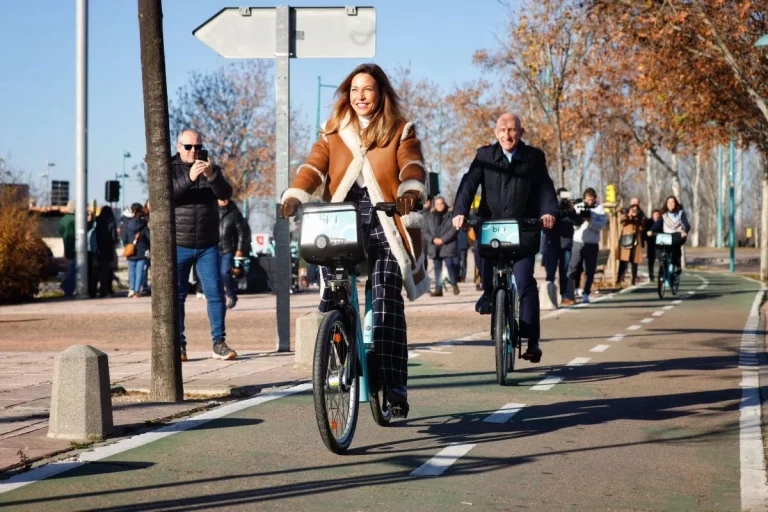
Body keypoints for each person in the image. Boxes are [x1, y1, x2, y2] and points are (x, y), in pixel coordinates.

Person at [280, 63, 429, 408]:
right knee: (332, 298)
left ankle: (393, 385)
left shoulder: (400, 130)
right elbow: (313, 167)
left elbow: (412, 164)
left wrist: (410, 191)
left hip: (386, 221)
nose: (360, 96)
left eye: (368, 90)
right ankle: (340, 356)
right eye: (354, 90)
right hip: (342, 222)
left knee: (386, 296)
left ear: (381, 95)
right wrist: (295, 195)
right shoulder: (333, 131)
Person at [452, 113, 557, 363]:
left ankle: (531, 340)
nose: (507, 135)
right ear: (495, 132)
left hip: (523, 228)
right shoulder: (485, 155)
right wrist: (459, 212)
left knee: (524, 281)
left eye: (512, 130)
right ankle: (489, 292)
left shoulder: (533, 157)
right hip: (492, 226)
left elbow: (545, 187)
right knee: (483, 251)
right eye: (502, 129)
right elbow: (469, 184)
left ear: (521, 132)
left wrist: (549, 212)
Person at [173, 128, 237, 362]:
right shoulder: (170, 169)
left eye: (198, 146)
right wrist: (189, 178)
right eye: (189, 147)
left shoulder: (211, 168)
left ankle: (219, 343)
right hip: (179, 243)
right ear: (179, 147)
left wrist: (212, 176)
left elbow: (226, 193)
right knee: (177, 297)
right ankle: (178, 345)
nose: (194, 151)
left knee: (215, 294)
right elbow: (167, 195)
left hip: (208, 245)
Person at [563, 188, 607, 305]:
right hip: (578, 241)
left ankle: (586, 293)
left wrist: (589, 220)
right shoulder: (578, 207)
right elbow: (573, 224)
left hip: (592, 243)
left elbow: (601, 226)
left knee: (590, 270)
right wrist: (579, 219)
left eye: (592, 200)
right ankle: (571, 294)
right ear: (584, 198)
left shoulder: (599, 209)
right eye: (588, 200)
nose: (589, 202)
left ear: (595, 199)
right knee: (573, 268)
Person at [544, 188, 577, 307]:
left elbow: (578, 221)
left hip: (566, 244)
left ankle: (565, 297)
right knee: (550, 272)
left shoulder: (570, 209)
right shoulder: (551, 206)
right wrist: (559, 208)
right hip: (552, 243)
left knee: (565, 272)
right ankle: (550, 298)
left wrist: (571, 210)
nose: (563, 200)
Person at [423, 196, 460, 296]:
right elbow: (425, 231)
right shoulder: (429, 217)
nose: (440, 206)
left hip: (447, 244)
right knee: (437, 268)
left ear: (445, 204)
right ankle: (438, 289)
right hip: (435, 246)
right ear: (435, 205)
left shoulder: (451, 215)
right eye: (437, 204)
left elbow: (454, 230)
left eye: (441, 203)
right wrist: (433, 239)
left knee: (450, 265)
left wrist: (443, 239)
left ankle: (454, 283)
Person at [218, 198, 248, 309]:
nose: (224, 200)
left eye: (226, 197)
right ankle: (219, 300)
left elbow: (241, 233)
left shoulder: (234, 213)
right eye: (221, 197)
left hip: (228, 249)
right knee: (215, 275)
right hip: (213, 249)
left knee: (225, 272)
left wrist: (240, 249)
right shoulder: (211, 210)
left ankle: (231, 295)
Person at [650, 195, 690, 273]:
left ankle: (678, 265)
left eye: (672, 202)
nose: (670, 204)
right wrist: (651, 230)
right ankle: (663, 264)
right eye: (668, 202)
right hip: (667, 236)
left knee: (676, 249)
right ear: (666, 204)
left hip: (677, 235)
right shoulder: (664, 215)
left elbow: (687, 225)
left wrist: (685, 232)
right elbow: (657, 224)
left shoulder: (681, 213)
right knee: (661, 248)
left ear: (676, 203)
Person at [122, 203, 150, 298]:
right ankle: (137, 290)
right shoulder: (144, 224)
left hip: (131, 250)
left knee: (132, 272)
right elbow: (149, 237)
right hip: (142, 250)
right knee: (140, 272)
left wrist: (128, 244)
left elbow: (124, 238)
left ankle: (131, 289)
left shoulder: (127, 224)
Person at [616, 204, 643, 286]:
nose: (634, 211)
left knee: (634, 262)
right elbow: (623, 222)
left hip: (635, 242)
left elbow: (642, 227)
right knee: (623, 261)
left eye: (636, 210)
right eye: (633, 209)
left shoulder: (639, 218)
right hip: (626, 240)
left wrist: (637, 217)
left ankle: (633, 279)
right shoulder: (626, 217)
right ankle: (619, 279)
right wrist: (629, 216)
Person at [95, 205, 118, 297]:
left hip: (99, 249)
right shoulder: (111, 223)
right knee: (108, 270)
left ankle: (102, 289)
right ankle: (107, 290)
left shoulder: (98, 222)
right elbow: (114, 237)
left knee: (101, 271)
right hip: (108, 249)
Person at [57, 201, 77, 297]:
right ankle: (67, 287)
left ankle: (67, 286)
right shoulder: (75, 220)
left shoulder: (63, 220)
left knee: (70, 268)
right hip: (75, 249)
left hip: (67, 248)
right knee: (74, 270)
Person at [644, 209, 661, 280]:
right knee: (651, 260)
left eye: (657, 215)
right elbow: (645, 232)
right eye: (655, 215)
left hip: (660, 243)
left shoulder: (661, 222)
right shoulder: (648, 222)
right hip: (651, 244)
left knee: (661, 259)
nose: (656, 216)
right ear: (652, 215)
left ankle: (662, 274)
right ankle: (651, 275)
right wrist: (647, 238)